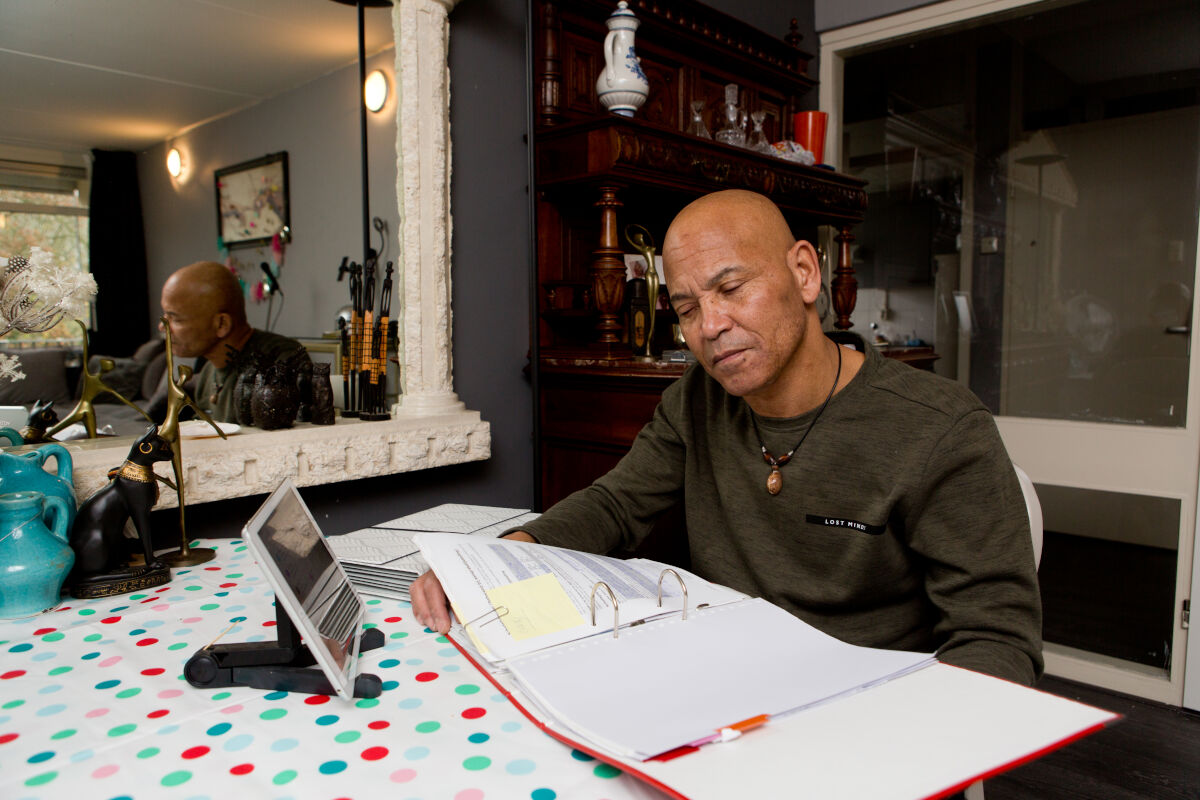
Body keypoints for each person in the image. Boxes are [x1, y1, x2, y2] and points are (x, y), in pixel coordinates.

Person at [411, 190, 1043, 686]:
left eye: (732, 288)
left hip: (867, 710)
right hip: (721, 693)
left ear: (803, 273)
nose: (711, 326)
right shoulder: (695, 399)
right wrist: (489, 566)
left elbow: (997, 640)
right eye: (686, 309)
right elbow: (615, 506)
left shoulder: (939, 427)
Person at [159, 261, 309, 423]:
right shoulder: (208, 372)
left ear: (222, 324)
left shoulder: (281, 361)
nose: (162, 326)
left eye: (175, 318)